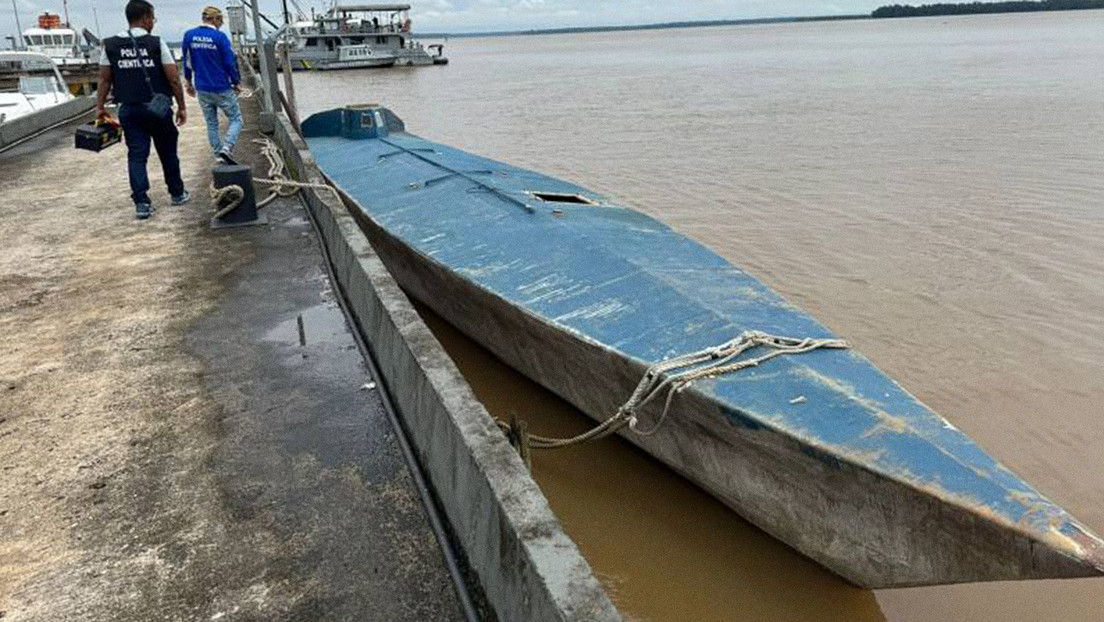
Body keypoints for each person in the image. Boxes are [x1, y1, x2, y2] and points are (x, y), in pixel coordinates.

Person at [96, 0, 190, 220]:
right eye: (153, 18)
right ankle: (177, 193)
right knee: (168, 152)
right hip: (158, 109)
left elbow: (104, 79)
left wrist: (100, 107)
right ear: (146, 18)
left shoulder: (110, 45)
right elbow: (173, 79)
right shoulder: (156, 43)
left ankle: (142, 203)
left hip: (129, 109)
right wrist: (181, 106)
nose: (153, 22)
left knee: (137, 155)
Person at [182, 6, 243, 165]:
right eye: (220, 21)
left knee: (211, 123)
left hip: (202, 87)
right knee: (236, 119)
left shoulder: (189, 36)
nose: (221, 24)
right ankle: (227, 148)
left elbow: (187, 62)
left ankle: (218, 155)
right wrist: (236, 82)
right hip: (221, 86)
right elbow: (229, 63)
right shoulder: (220, 37)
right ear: (215, 19)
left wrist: (188, 82)